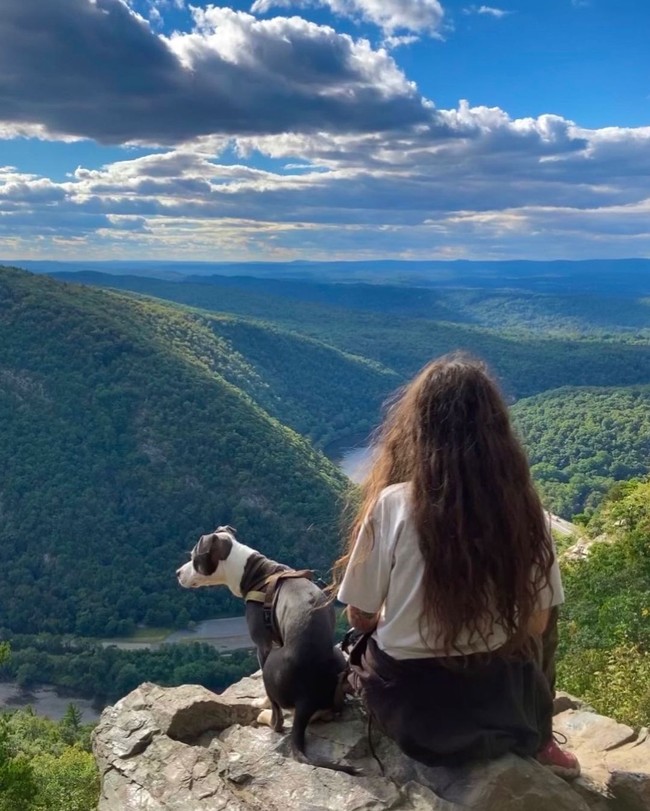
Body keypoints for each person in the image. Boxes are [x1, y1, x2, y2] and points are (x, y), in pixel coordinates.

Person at [335, 353, 580, 778]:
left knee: (352, 640)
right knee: (550, 613)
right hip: (503, 707)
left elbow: (361, 615)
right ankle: (541, 741)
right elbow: (537, 625)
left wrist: (412, 615)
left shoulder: (392, 503)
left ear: (419, 429)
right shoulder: (526, 511)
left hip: (413, 713)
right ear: (497, 434)